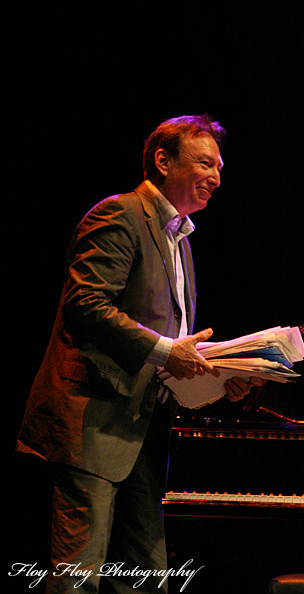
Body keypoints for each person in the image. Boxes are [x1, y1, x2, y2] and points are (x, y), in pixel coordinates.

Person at [16, 114, 263, 593]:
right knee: (77, 579)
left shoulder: (181, 240)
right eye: (205, 163)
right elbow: (85, 306)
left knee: (148, 578)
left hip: (145, 427)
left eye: (220, 167)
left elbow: (169, 347)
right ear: (163, 160)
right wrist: (170, 351)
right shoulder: (120, 213)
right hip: (94, 423)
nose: (216, 175)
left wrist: (221, 373)